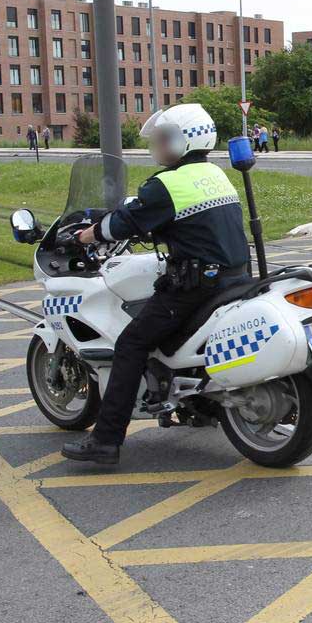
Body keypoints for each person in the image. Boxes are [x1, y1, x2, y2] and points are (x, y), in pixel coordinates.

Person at [61, 103, 250, 466]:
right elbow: (194, 223)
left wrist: (85, 236)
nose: (157, 146)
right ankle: (197, 403)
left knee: (131, 343)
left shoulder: (167, 184)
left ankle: (105, 440)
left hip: (194, 286)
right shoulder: (215, 174)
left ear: (183, 140)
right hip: (235, 278)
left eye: (163, 138)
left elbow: (121, 224)